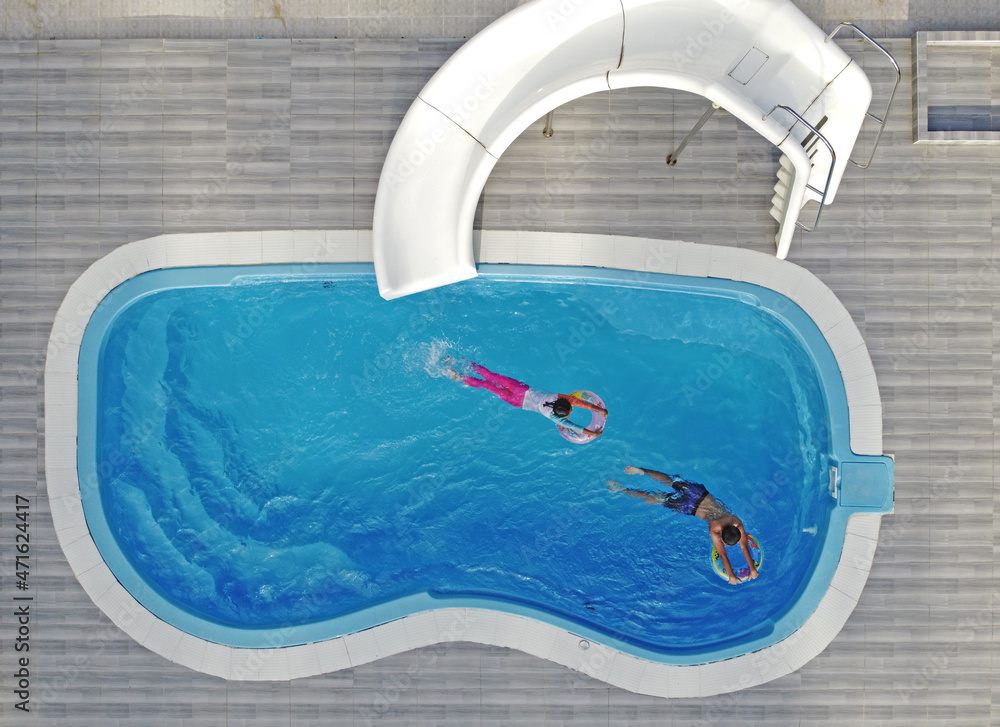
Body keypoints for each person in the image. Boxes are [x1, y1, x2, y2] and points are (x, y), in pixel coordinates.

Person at [607, 465, 758, 585]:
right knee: (657, 498)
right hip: (689, 507)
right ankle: (621, 489)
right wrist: (732, 576)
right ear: (723, 537)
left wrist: (752, 569)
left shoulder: (736, 521)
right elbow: (724, 554)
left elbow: (743, 545)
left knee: (670, 480)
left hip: (699, 493)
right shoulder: (714, 528)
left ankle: (641, 471)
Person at [446, 359, 607, 438]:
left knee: (491, 376)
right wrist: (593, 433)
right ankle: (459, 376)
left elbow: (579, 402)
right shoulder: (553, 417)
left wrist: (601, 409)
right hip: (516, 402)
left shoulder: (558, 397)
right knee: (486, 385)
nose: (573, 407)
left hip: (520, 389)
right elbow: (575, 427)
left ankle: (459, 361)